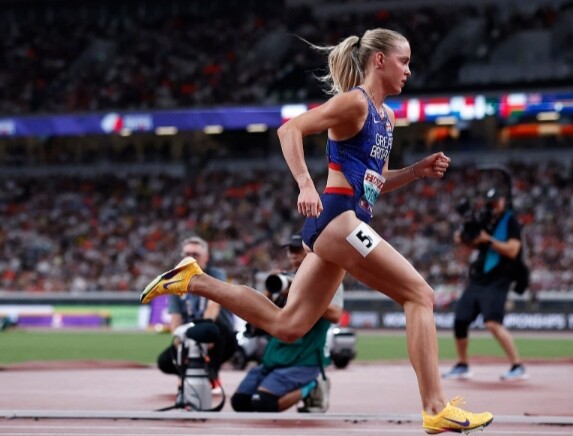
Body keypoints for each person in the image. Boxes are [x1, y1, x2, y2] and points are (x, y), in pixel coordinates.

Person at [141, 28, 493, 433]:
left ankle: (195, 280)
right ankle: (435, 407)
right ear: (379, 60)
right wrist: (306, 185)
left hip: (342, 225)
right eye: (404, 61)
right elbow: (289, 129)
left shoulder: (386, 117)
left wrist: (416, 171)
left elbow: (375, 182)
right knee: (420, 295)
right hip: (338, 219)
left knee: (287, 325)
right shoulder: (354, 103)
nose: (409, 71)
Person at [231, 233, 343, 413]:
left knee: (263, 403)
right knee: (240, 402)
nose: (292, 255)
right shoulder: (283, 279)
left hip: (305, 355)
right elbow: (260, 314)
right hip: (276, 354)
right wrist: (270, 290)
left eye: (297, 250)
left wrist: (301, 295)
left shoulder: (328, 278)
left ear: (311, 252)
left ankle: (312, 385)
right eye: (290, 250)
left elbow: (335, 315)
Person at [443, 188, 527, 381]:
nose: (493, 206)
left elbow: (513, 250)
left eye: (496, 202)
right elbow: (475, 243)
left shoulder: (510, 221)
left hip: (499, 278)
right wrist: (465, 239)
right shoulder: (486, 219)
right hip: (478, 277)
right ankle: (462, 364)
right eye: (491, 203)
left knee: (492, 323)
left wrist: (487, 240)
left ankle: (518, 366)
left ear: (504, 201)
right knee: (460, 320)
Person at [156, 236, 237, 393]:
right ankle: (186, 374)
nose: (191, 258)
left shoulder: (216, 275)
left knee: (217, 331)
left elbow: (213, 307)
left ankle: (213, 375)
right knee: (165, 361)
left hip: (218, 333)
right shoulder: (175, 280)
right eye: (187, 254)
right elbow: (175, 317)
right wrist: (180, 343)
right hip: (190, 331)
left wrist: (204, 334)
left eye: (195, 254)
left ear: (206, 257)